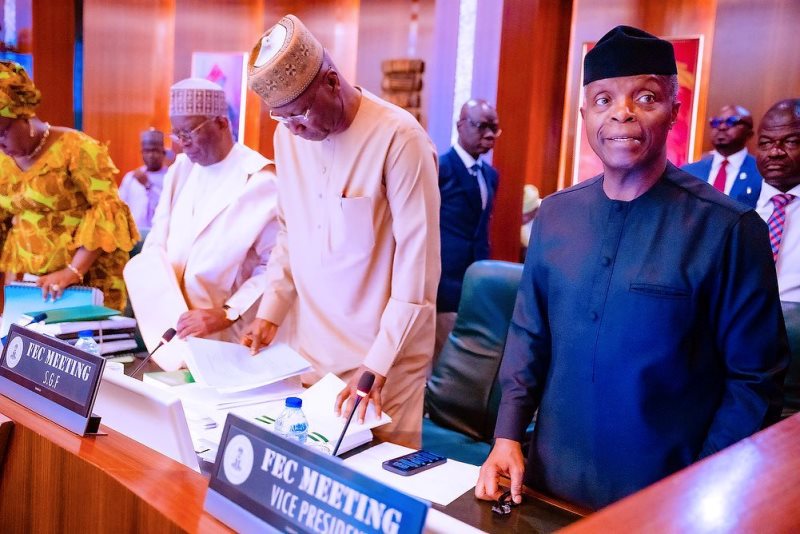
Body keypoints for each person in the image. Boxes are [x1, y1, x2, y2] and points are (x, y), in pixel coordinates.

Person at [475, 26, 788, 511]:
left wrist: (703, 488)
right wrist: (507, 435)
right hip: (544, 488)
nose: (621, 112)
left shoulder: (729, 229)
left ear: (674, 112)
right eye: (603, 99)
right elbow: (528, 334)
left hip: (666, 502)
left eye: (644, 96)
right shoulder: (555, 215)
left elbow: (754, 383)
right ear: (584, 115)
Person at [243, 14, 440, 448]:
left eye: (300, 114)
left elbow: (418, 264)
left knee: (376, 489)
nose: (294, 129)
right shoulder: (289, 137)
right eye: (282, 118)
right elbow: (289, 230)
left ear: (332, 82)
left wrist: (379, 365)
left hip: (384, 360)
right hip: (312, 353)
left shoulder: (399, 139)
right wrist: (270, 312)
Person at [142, 78, 278, 343]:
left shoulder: (260, 180)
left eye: (189, 133)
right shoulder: (180, 170)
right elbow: (158, 239)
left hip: (229, 335)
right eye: (176, 134)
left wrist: (227, 313)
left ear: (221, 123)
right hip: (169, 326)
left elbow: (274, 267)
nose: (182, 143)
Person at [0, 60, 139, 311]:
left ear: (24, 115)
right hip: (27, 286)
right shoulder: (3, 160)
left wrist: (72, 271)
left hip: (83, 284)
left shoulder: (77, 149)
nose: (0, 144)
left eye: (2, 132)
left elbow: (107, 210)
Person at [435, 99, 499, 356]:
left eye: (495, 128)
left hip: (476, 283)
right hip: (445, 284)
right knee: (442, 361)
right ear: (461, 126)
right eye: (482, 126)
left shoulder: (490, 175)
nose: (490, 135)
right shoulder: (442, 167)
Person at [754, 98, 800, 416]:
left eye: (791, 142)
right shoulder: (730, 205)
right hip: (737, 356)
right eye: (767, 143)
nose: (775, 152)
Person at [681, 104, 762, 206]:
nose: (722, 127)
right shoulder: (688, 172)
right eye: (716, 122)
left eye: (732, 121)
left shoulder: (761, 173)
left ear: (749, 134)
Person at [118, 128, 168, 233]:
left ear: (163, 153)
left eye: (155, 150)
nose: (151, 155)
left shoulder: (170, 177)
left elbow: (167, 208)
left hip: (159, 235)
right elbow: (120, 207)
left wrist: (148, 185)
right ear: (142, 153)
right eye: (147, 151)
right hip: (133, 235)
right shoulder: (131, 177)